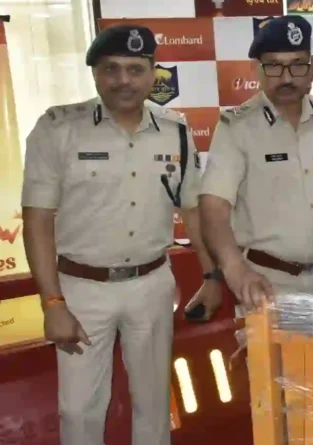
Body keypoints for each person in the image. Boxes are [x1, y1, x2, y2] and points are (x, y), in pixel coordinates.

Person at [21, 25, 219, 445]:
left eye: (135, 69)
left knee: (154, 403)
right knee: (79, 409)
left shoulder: (176, 131)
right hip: (81, 289)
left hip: (151, 285)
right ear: (95, 73)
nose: (123, 80)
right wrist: (52, 303)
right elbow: (37, 220)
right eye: (111, 68)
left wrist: (211, 274)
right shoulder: (58, 128)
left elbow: (192, 209)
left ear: (152, 73)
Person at [199, 15, 313, 312]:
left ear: (312, 68)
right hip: (268, 286)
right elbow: (214, 207)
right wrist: (235, 268)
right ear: (257, 69)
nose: (287, 77)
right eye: (274, 66)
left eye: (297, 64)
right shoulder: (236, 128)